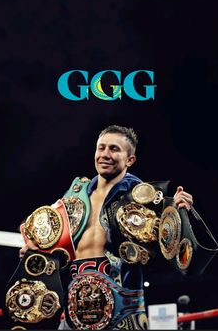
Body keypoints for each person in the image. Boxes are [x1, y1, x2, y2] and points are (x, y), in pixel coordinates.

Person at [19, 125, 195, 330]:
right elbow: (50, 241)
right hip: (73, 309)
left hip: (123, 311)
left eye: (114, 149)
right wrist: (34, 251)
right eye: (101, 148)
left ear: (130, 160)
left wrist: (179, 213)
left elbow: (176, 252)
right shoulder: (75, 196)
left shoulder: (143, 199)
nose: (105, 154)